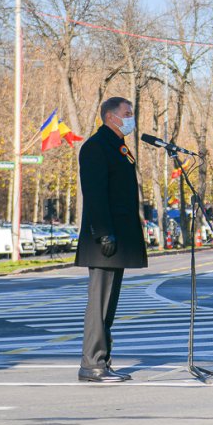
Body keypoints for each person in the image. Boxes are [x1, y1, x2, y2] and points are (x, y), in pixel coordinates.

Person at [76, 96, 148, 383]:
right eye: (127, 113)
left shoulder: (117, 147)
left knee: (108, 305)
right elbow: (94, 195)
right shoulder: (96, 147)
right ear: (110, 117)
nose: (131, 118)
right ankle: (92, 363)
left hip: (118, 238)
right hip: (103, 240)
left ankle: (102, 361)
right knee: (99, 304)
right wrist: (103, 232)